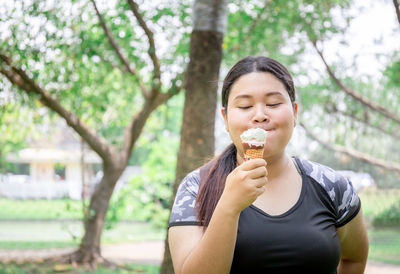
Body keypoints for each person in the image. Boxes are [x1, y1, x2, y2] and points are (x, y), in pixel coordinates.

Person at [168, 56, 369, 274]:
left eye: (273, 103)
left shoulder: (332, 186)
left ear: (295, 113)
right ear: (225, 118)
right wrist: (229, 206)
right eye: (245, 106)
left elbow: (355, 258)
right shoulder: (195, 188)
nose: (260, 115)